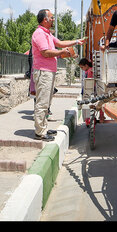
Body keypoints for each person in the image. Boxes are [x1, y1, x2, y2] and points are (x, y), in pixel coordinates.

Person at [32, 9, 85, 141]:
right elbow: (45, 52)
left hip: (48, 72)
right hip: (43, 72)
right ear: (45, 20)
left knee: (47, 102)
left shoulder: (47, 33)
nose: (53, 20)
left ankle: (43, 127)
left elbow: (60, 43)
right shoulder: (39, 34)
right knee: (42, 102)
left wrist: (76, 42)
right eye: (51, 17)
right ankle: (40, 132)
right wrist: (62, 53)